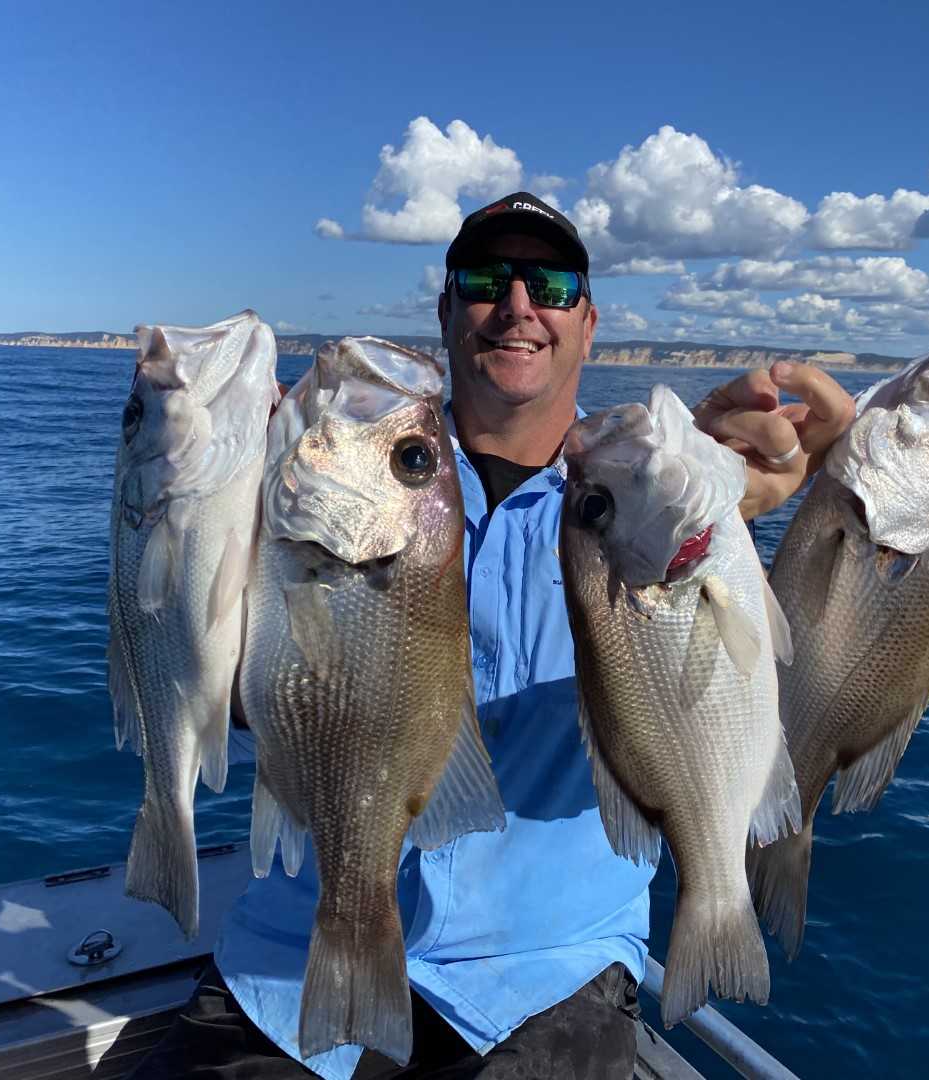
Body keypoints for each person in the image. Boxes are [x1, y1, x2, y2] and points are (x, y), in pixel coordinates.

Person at [129, 192, 855, 1079]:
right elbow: (234, 688)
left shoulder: (638, 511)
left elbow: (740, 678)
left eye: (550, 286)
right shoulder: (306, 484)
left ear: (588, 323)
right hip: (295, 954)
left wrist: (810, 506)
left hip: (545, 974)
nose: (517, 306)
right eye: (484, 280)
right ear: (445, 310)